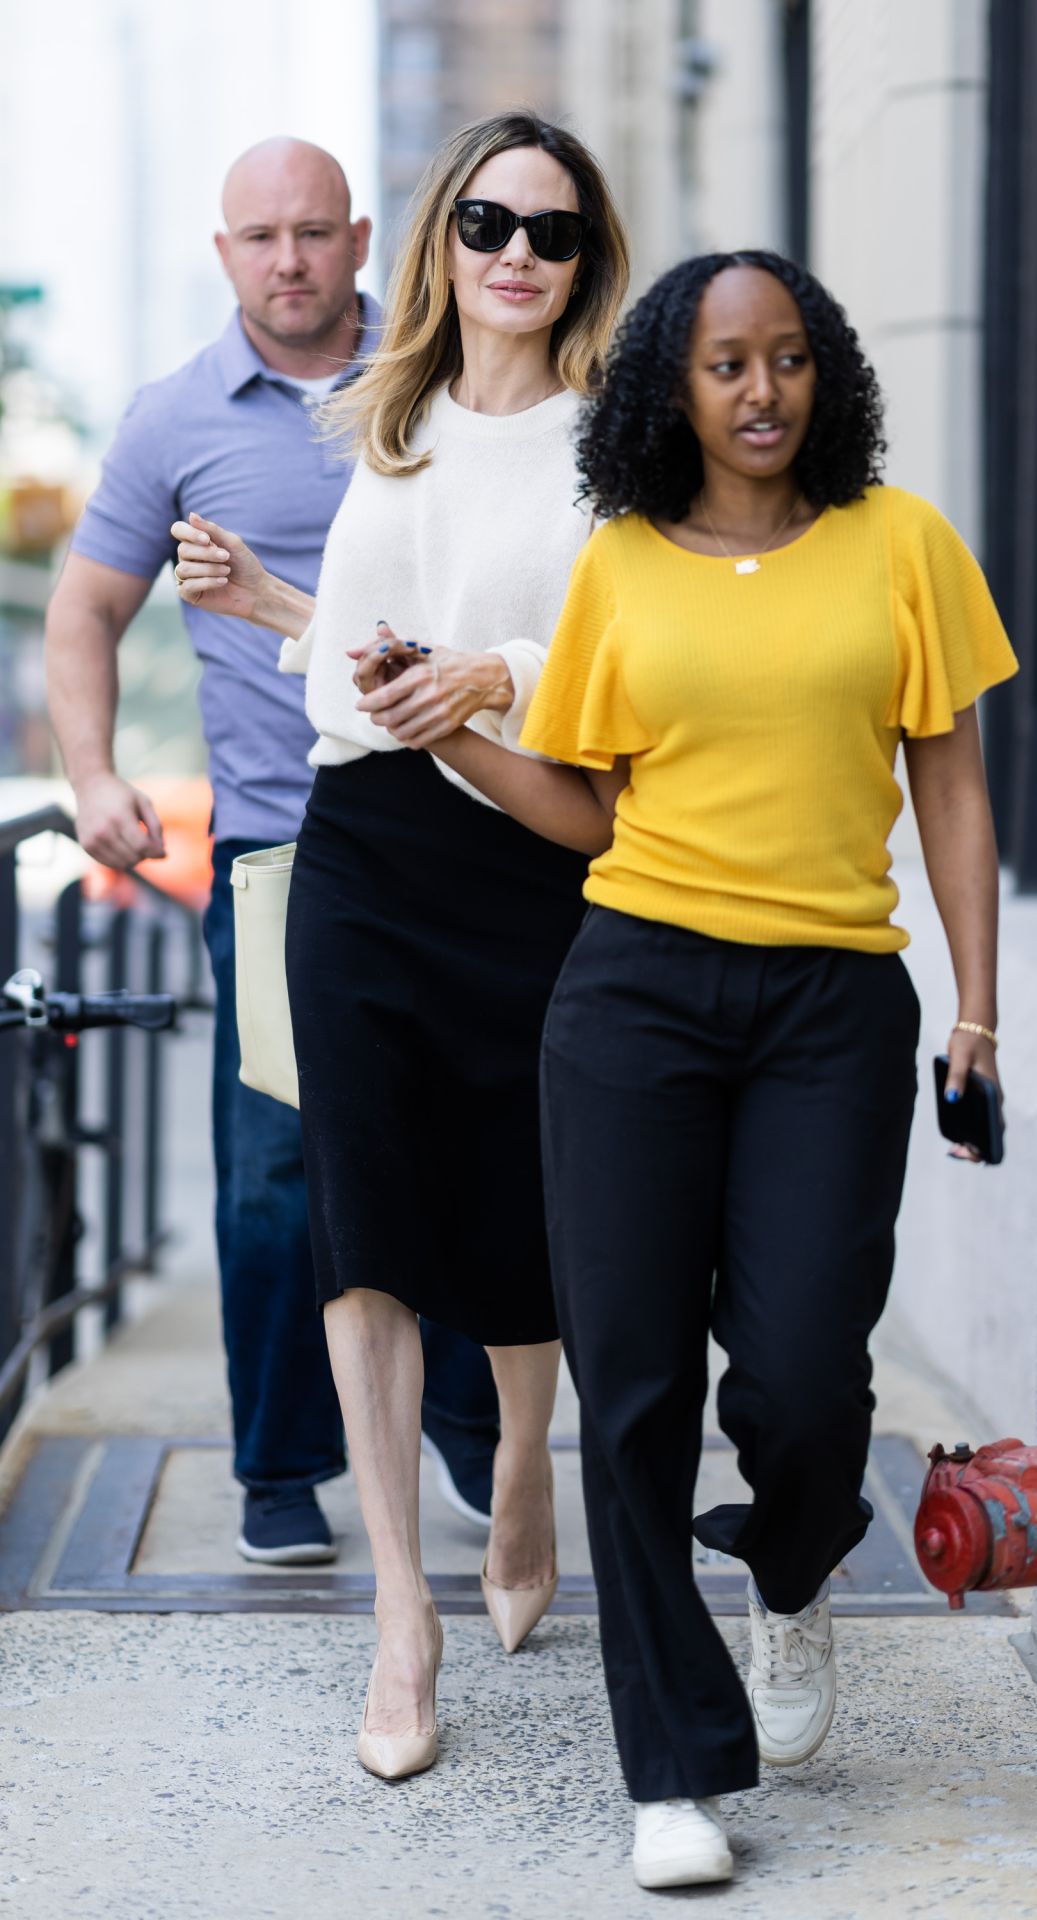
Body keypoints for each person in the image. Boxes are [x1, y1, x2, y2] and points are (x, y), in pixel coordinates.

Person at [418, 250, 1017, 1889]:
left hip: (833, 1002)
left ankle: (796, 1565)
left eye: (790, 359)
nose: (762, 393)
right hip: (632, 1001)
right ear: (668, 392)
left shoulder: (902, 547)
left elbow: (952, 790)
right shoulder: (616, 567)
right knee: (634, 1392)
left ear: (827, 375)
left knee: (808, 1373)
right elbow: (589, 809)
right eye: (726, 366)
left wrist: (977, 1011)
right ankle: (671, 1772)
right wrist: (453, 740)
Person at [172, 112, 630, 1779]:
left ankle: (521, 1467)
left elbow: (603, 651)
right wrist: (305, 630)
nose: (518, 251)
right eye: (490, 220)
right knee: (361, 1212)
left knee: (521, 1205)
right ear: (439, 241)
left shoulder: (613, 445)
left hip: (528, 853)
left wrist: (488, 673)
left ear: (588, 260)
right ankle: (399, 1619)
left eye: (554, 231)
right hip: (360, 842)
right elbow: (377, 639)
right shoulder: (387, 419)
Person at [44, 136, 501, 1567]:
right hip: (277, 854)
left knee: (473, 1147)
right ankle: (281, 1470)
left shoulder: (445, 385)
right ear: (226, 250)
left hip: (465, 832)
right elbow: (81, 612)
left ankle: (477, 1442)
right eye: (261, 236)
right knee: (278, 1170)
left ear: (360, 237)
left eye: (313, 231)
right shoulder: (176, 417)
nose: (289, 258)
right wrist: (93, 773)